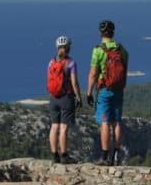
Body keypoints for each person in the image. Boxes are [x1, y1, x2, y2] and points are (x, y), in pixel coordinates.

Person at [86, 19, 128, 166]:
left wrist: (89, 93)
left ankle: (104, 157)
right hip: (118, 90)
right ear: (113, 32)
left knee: (104, 122)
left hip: (104, 90)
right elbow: (125, 70)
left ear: (100, 33)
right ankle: (116, 155)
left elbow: (93, 74)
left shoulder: (98, 50)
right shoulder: (121, 49)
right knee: (116, 123)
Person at [46, 35, 82, 164]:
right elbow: (74, 83)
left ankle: (54, 155)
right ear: (68, 48)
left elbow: (49, 80)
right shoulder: (71, 63)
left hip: (53, 98)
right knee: (64, 128)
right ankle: (64, 156)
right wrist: (78, 97)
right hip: (66, 98)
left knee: (54, 126)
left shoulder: (51, 62)